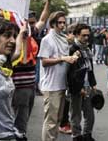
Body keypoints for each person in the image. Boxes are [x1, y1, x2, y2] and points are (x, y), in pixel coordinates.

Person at [38, 11, 78, 141]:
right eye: (59, 23)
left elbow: (66, 57)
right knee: (51, 122)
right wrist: (63, 59)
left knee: (58, 120)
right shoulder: (47, 40)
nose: (62, 25)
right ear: (53, 23)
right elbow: (44, 62)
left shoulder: (63, 38)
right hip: (51, 86)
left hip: (61, 84)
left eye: (63, 22)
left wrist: (73, 55)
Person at [67, 23, 97, 141]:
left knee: (90, 114)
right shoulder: (72, 49)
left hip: (88, 85)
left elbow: (90, 68)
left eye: (87, 35)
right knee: (76, 115)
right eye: (83, 35)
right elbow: (70, 72)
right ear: (77, 35)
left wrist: (93, 83)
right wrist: (79, 88)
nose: (86, 38)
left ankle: (87, 135)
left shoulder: (87, 49)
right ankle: (77, 136)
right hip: (76, 87)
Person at [59, 23, 78, 135]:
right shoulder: (67, 45)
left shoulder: (71, 45)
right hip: (64, 77)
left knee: (67, 102)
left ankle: (65, 122)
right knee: (65, 102)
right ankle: (63, 123)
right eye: (75, 34)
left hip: (68, 77)